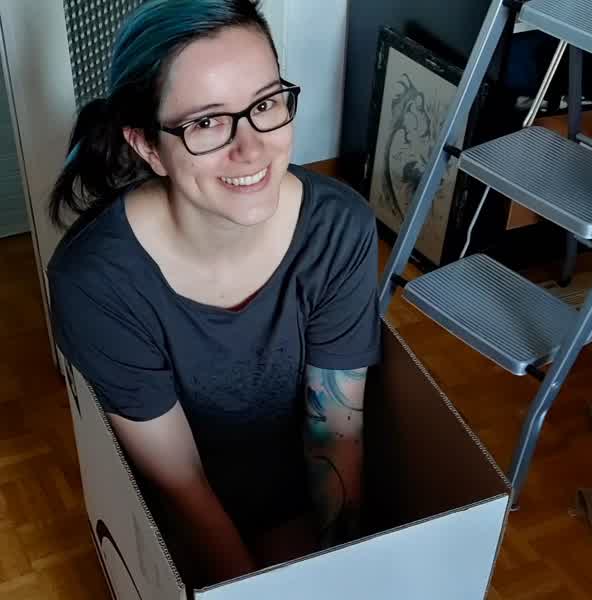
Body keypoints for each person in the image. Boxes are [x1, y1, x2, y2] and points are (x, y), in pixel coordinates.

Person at [47, 0, 381, 586]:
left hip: (301, 503)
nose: (251, 149)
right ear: (147, 146)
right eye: (206, 123)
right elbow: (183, 488)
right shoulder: (97, 284)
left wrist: (338, 573)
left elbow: (336, 431)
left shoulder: (338, 228)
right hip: (188, 525)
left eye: (265, 104)